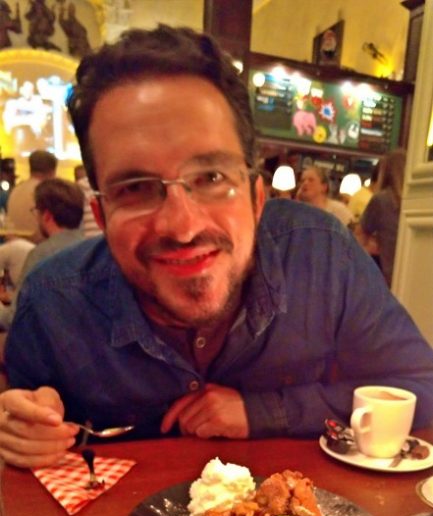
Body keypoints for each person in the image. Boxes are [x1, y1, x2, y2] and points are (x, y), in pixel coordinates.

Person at [1, 25, 433, 469]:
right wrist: (26, 431)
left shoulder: (324, 256)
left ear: (256, 196)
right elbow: (23, 435)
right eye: (135, 188)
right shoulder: (51, 305)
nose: (182, 227)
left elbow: (423, 385)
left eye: (210, 178)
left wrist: (263, 411)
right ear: (103, 212)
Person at [0, 178, 84, 330]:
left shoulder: (42, 255)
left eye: (36, 212)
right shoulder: (94, 249)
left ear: (46, 216)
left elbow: (14, 317)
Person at [358, 148, 407, 288]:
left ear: (384, 172)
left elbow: (358, 241)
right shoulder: (417, 199)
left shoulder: (382, 200)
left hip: (390, 281)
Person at [6, 149, 57, 240]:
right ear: (52, 171)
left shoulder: (16, 190)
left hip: (14, 246)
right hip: (39, 249)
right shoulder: (46, 192)